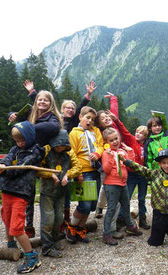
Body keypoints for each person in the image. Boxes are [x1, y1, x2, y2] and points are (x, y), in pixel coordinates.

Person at [8, 80, 63, 238]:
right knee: (28, 193)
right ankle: (28, 225)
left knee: (48, 194)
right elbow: (15, 116)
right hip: (26, 156)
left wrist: (28, 128)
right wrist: (10, 115)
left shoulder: (52, 118)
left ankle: (52, 229)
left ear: (51, 104)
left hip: (44, 158)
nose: (42, 102)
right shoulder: (30, 114)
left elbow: (53, 127)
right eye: (40, 99)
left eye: (46, 100)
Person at [0, 121, 44, 273]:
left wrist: (4, 170)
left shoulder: (35, 151)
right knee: (7, 219)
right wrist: (1, 164)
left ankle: (32, 256)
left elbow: (20, 168)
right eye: (17, 141)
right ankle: (11, 247)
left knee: (16, 227)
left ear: (30, 137)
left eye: (22, 140)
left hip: (21, 193)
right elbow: (8, 158)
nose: (20, 144)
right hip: (7, 190)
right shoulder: (15, 148)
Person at [37, 130, 82, 257]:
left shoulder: (69, 152)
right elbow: (37, 169)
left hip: (61, 192)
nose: (60, 148)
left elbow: (78, 167)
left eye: (62, 145)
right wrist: (50, 174)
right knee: (48, 219)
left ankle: (53, 241)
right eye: (57, 145)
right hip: (47, 191)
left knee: (58, 218)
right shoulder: (45, 150)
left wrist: (68, 174)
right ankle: (46, 247)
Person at [59, 81, 96, 227]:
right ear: (62, 109)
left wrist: (88, 95)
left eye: (72, 108)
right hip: (61, 159)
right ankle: (67, 224)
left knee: (69, 193)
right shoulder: (57, 120)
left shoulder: (75, 121)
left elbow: (83, 110)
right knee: (62, 192)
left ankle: (69, 221)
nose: (70, 110)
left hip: (72, 161)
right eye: (67, 107)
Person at [66, 106, 104, 243]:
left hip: (96, 171)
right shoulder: (74, 133)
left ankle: (80, 228)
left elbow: (100, 145)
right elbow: (72, 154)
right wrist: (78, 173)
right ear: (80, 117)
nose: (90, 121)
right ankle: (72, 227)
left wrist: (97, 153)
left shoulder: (96, 131)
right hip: (83, 172)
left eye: (92, 119)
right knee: (84, 205)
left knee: (93, 205)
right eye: (87, 118)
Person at [108, 111, 151, 229]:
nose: (137, 134)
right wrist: (116, 120)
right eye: (137, 132)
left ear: (146, 136)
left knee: (142, 198)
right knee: (127, 197)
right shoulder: (132, 140)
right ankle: (121, 219)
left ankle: (142, 219)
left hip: (143, 175)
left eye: (141, 133)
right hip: (131, 174)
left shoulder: (148, 145)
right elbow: (124, 130)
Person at [101, 127, 143, 245]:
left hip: (123, 183)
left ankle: (130, 226)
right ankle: (106, 233)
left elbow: (130, 165)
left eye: (116, 139)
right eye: (111, 140)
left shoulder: (121, 152)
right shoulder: (106, 153)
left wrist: (129, 152)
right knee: (111, 209)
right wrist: (109, 157)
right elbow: (106, 170)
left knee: (126, 205)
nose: (115, 142)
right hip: (111, 185)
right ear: (106, 142)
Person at [94, 92, 119, 220]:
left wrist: (113, 99)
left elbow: (113, 112)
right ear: (100, 124)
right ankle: (100, 207)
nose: (107, 118)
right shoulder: (100, 133)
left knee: (117, 184)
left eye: (107, 116)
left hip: (118, 162)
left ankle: (113, 210)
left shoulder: (114, 124)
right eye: (103, 119)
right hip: (105, 164)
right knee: (105, 186)